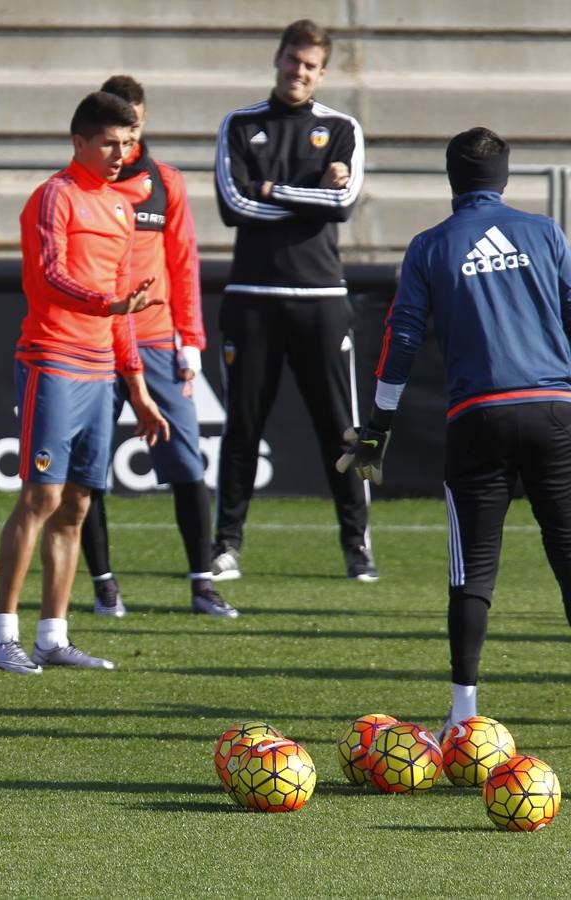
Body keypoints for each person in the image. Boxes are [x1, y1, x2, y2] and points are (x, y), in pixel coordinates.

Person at [337, 127, 571, 739]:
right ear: (505, 179)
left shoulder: (431, 245)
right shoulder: (545, 233)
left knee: (474, 571)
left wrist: (377, 429)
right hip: (555, 412)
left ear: (450, 178)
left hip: (479, 418)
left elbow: (402, 338)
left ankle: (464, 714)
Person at [0, 91, 169, 676]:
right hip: (53, 359)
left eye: (128, 142)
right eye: (110, 142)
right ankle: (0, 635)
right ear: (79, 142)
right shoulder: (53, 197)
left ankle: (52, 636)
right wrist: (109, 303)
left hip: (99, 371)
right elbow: (51, 276)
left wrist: (136, 387)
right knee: (41, 497)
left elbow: (126, 310)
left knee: (78, 504)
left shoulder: (119, 208)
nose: (121, 153)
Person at [212, 18, 374, 582]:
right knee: (241, 427)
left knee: (345, 432)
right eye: (291, 61)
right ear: (277, 59)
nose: (298, 72)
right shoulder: (240, 124)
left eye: (310, 65)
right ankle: (225, 545)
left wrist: (271, 188)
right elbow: (234, 204)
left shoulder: (343, 128)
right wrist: (310, 193)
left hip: (322, 298)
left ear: (322, 72)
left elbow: (344, 203)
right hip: (252, 297)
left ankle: (358, 544)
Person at [79, 76, 237, 619]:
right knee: (88, 472)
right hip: (97, 347)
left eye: (134, 128)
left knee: (186, 465)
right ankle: (104, 587)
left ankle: (202, 584)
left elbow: (184, 265)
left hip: (155, 344)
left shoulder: (165, 183)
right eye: (116, 133)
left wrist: (190, 344)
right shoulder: (77, 189)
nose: (126, 144)